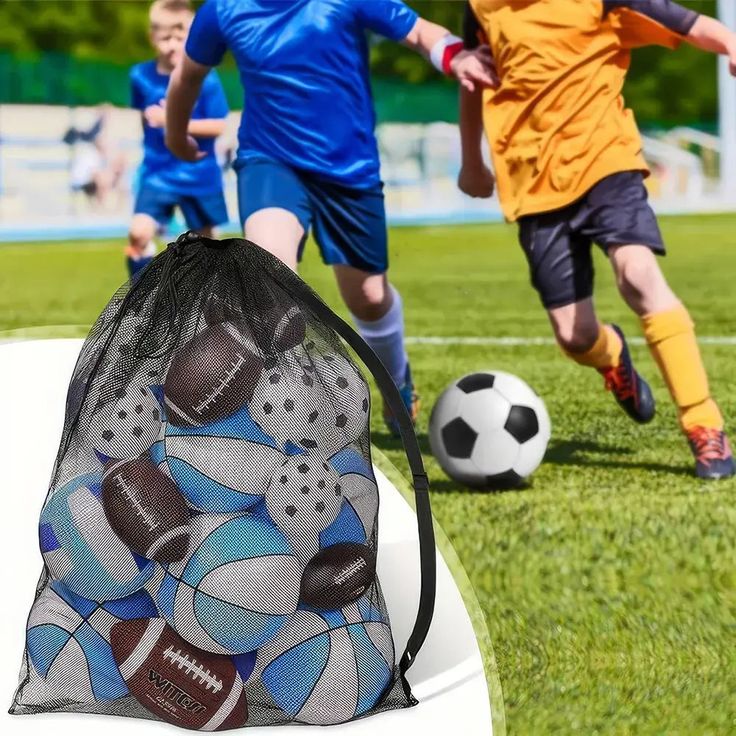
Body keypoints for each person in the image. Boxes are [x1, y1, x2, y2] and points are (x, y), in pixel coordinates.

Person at [164, 0, 495, 435]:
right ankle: (271, 418)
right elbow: (187, 77)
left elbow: (417, 32)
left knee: (369, 297)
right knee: (267, 274)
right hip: (270, 161)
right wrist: (174, 134)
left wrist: (457, 55)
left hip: (349, 172)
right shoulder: (223, 10)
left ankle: (396, 380)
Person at [458, 0, 736, 480]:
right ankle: (613, 358)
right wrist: (471, 160)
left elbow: (686, 23)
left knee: (639, 275)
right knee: (574, 334)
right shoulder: (481, 8)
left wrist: (730, 42)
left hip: (605, 161)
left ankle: (704, 425)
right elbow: (472, 78)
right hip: (533, 182)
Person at [127, 0, 230, 278]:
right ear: (153, 37)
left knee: (207, 247)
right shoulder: (140, 76)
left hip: (199, 173)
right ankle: (143, 303)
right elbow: (143, 122)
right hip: (157, 173)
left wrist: (170, 120)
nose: (171, 45)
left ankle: (210, 306)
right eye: (165, 38)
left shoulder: (206, 78)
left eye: (179, 37)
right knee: (138, 234)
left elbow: (219, 125)